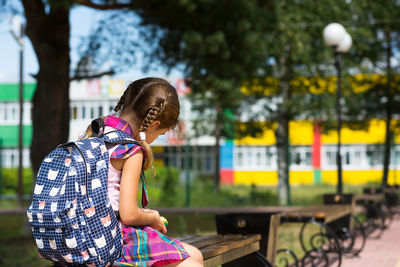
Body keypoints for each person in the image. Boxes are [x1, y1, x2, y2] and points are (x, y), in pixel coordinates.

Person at [86, 77, 203, 266]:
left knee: (194, 253)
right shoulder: (130, 149)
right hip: (109, 242)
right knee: (192, 263)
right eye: (161, 134)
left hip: (81, 237)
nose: (156, 139)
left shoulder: (94, 133)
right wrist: (152, 217)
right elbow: (129, 214)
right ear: (154, 124)